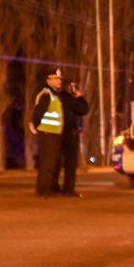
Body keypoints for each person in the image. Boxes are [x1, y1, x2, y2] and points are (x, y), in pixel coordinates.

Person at [29, 68, 88, 198]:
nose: (59, 81)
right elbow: (38, 113)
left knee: (55, 163)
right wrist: (35, 127)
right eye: (55, 79)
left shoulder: (61, 96)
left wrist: (78, 96)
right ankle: (45, 190)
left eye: (59, 79)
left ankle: (54, 190)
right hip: (49, 133)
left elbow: (83, 109)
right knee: (49, 163)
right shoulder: (47, 94)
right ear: (48, 81)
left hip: (58, 133)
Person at [52, 79, 89, 197]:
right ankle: (68, 189)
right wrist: (80, 97)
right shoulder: (69, 98)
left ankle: (53, 187)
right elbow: (84, 109)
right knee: (70, 163)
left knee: (55, 162)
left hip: (56, 132)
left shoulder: (53, 97)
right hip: (70, 132)